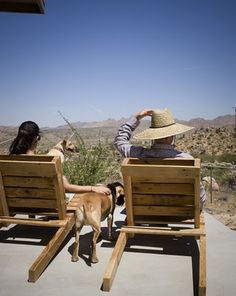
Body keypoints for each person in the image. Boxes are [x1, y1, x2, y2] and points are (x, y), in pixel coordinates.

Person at [114, 108, 206, 208]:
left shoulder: (137, 155)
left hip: (145, 210)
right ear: (172, 136)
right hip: (180, 214)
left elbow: (120, 142)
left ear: (153, 136)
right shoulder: (188, 160)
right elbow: (200, 198)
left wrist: (137, 117)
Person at [9, 121, 110, 195]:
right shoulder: (45, 163)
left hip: (16, 204)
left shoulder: (9, 161)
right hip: (48, 205)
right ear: (36, 138)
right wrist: (93, 188)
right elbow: (67, 187)